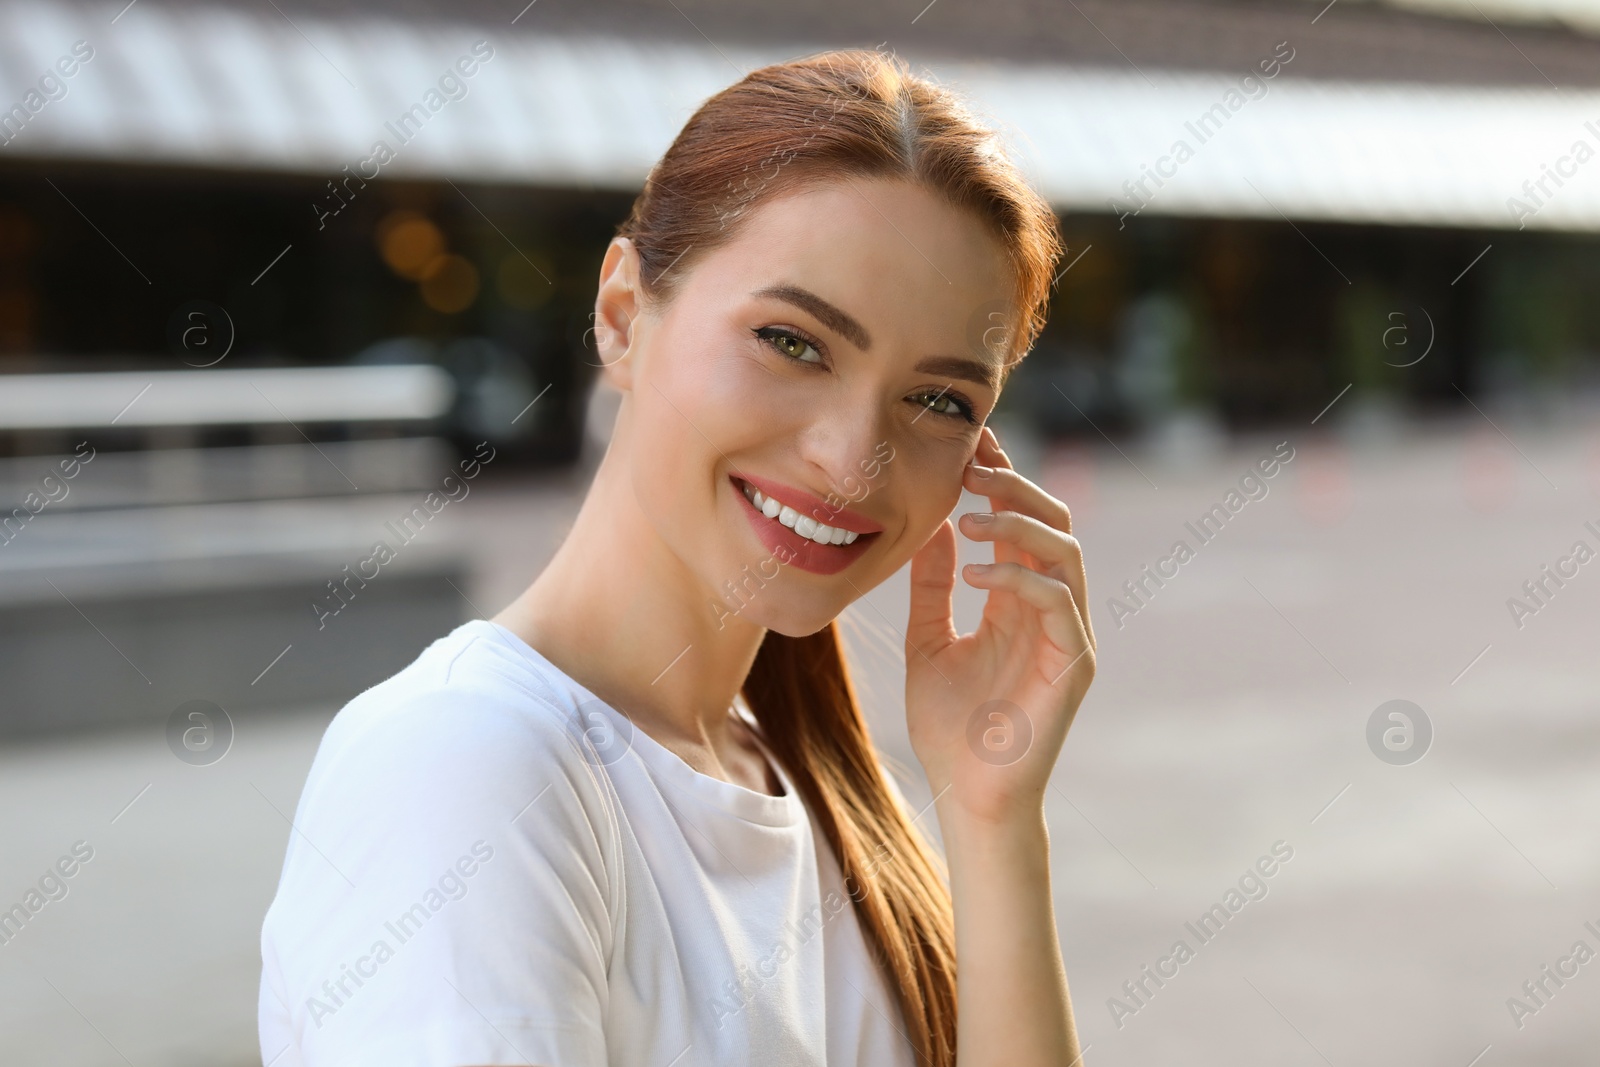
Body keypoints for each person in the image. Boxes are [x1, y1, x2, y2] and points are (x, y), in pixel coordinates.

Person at [258, 47, 1095, 1067]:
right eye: (792, 341)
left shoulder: (817, 782)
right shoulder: (468, 764)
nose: (850, 458)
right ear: (622, 316)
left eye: (938, 400)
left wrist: (992, 813)